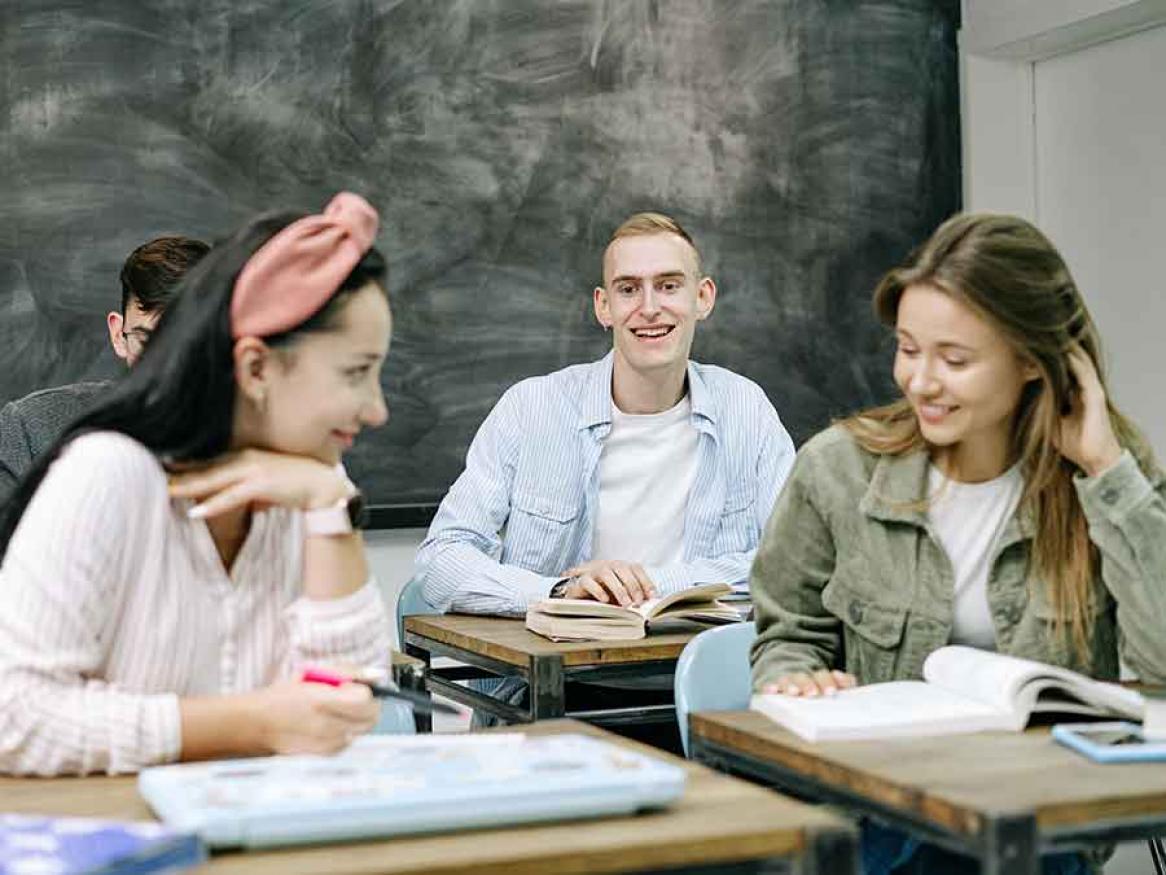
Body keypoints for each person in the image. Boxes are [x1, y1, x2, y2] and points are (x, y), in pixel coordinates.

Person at [749, 212, 1166, 875]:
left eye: (955, 359)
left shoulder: (1109, 474)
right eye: (909, 349)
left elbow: (1162, 666)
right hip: (882, 826)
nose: (920, 381)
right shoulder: (837, 469)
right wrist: (793, 680)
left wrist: (1106, 470)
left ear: (1034, 359)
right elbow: (786, 634)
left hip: (1039, 832)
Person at [0, 193, 393, 776]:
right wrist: (255, 722)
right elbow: (15, 718)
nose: (377, 409)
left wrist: (331, 507)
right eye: (356, 374)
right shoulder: (108, 472)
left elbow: (348, 708)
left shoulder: (317, 479)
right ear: (256, 368)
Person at [417, 211, 795, 615]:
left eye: (668, 286)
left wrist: (651, 584)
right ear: (604, 307)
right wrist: (562, 591)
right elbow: (441, 558)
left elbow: (794, 560)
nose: (649, 308)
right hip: (559, 670)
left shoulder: (746, 408)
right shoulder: (530, 409)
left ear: (702, 298)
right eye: (628, 289)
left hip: (694, 668)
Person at [0, 236, 209, 503]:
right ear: (118, 335)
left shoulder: (256, 435)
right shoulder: (31, 429)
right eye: (146, 340)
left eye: (186, 341)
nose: (165, 363)